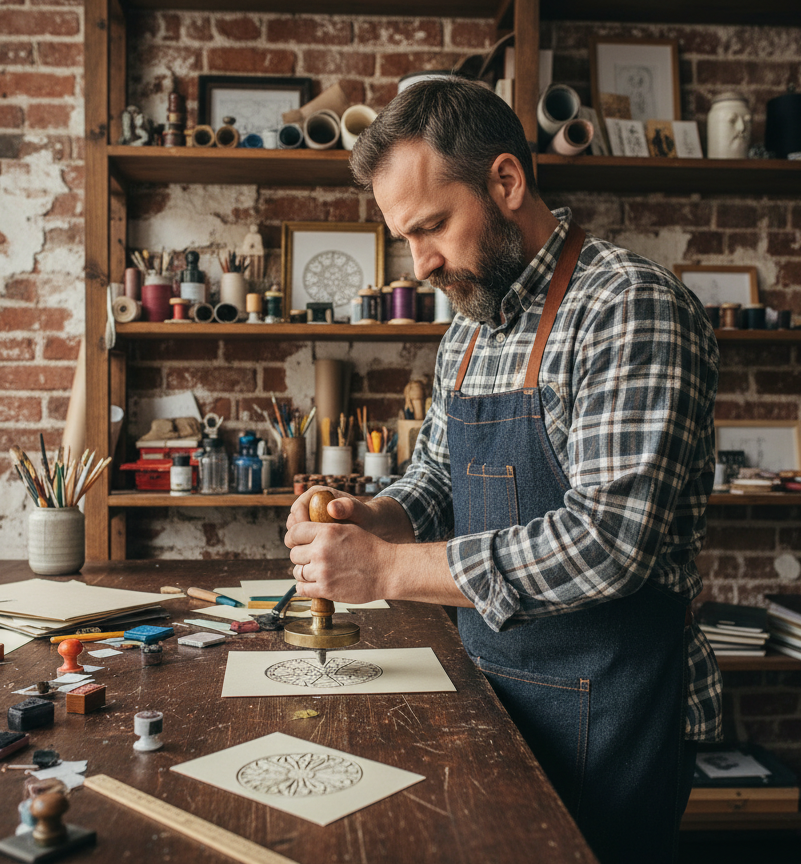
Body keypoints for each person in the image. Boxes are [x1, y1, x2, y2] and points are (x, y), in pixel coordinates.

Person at [284, 78, 721, 864]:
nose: (418, 265)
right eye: (404, 238)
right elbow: (438, 479)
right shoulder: (472, 326)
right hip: (493, 689)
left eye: (433, 227)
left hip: (612, 710)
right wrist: (373, 516)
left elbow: (607, 543)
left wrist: (386, 569)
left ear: (507, 182)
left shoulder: (629, 308)